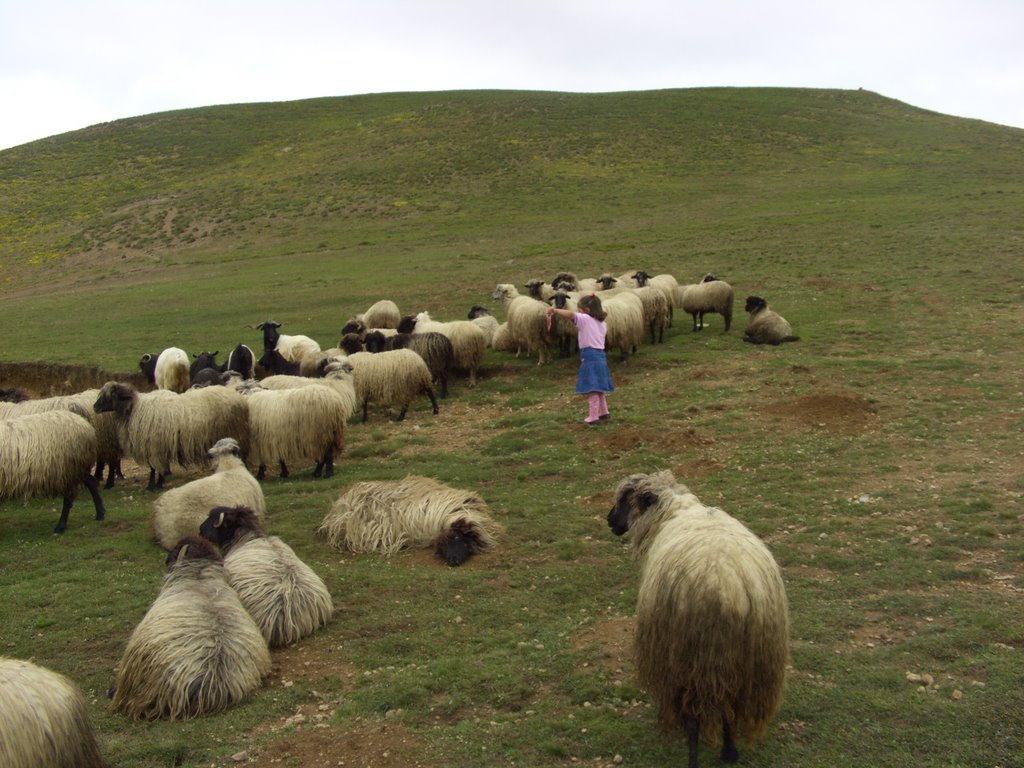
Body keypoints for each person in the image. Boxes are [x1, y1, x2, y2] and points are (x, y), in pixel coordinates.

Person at [546, 294, 614, 425]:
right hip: (600, 356)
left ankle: (593, 416)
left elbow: (571, 315)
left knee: (592, 386)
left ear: (587, 310)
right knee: (598, 385)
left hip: (590, 356)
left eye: (580, 309)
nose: (578, 312)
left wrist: (554, 310)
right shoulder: (602, 323)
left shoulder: (585, 319)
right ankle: (604, 412)